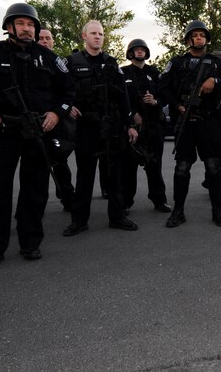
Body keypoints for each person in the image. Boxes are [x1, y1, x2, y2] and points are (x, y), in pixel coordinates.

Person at [0, 3, 74, 268]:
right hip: (3, 133)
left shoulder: (48, 58)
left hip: (38, 132)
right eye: (22, 23)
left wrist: (57, 114)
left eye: (31, 24)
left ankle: (30, 242)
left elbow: (68, 93)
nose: (27, 29)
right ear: (9, 27)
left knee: (34, 190)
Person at [63, 20, 139, 236]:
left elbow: (123, 97)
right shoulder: (71, 62)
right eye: (94, 33)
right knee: (84, 177)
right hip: (86, 128)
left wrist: (130, 125)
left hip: (111, 128)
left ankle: (117, 217)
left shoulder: (111, 63)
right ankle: (79, 221)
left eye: (101, 34)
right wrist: (67, 107)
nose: (98, 37)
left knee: (114, 176)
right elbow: (62, 91)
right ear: (84, 36)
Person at [159, 20, 221, 228]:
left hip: (208, 122)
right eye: (195, 35)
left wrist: (215, 82)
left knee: (213, 166)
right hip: (185, 123)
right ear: (188, 39)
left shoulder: (216, 64)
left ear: (206, 39)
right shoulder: (177, 63)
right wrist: (176, 106)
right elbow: (162, 87)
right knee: (182, 167)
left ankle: (217, 209)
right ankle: (178, 211)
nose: (199, 38)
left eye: (202, 35)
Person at [120, 38, 171, 214]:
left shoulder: (154, 72)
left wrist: (155, 101)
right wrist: (131, 115)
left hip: (154, 125)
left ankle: (159, 200)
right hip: (134, 126)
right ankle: (125, 202)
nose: (140, 52)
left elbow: (165, 95)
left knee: (155, 165)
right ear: (131, 52)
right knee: (129, 167)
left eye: (143, 49)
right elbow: (119, 98)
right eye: (136, 49)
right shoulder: (123, 72)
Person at [38, 27, 76, 211]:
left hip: (56, 121)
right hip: (33, 121)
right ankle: (34, 206)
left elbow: (70, 91)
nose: (44, 41)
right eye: (41, 38)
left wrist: (66, 108)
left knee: (60, 163)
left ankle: (68, 199)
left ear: (53, 41)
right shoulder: (28, 61)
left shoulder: (60, 63)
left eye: (48, 38)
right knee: (36, 168)